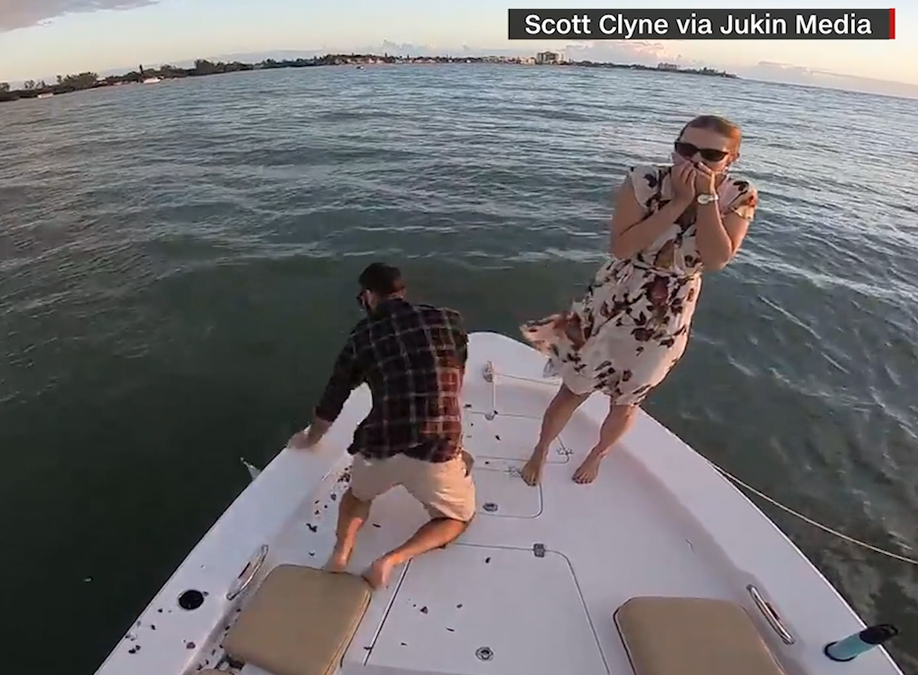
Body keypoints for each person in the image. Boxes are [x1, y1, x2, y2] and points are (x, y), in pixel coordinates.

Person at [519, 114, 759, 486]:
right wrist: (678, 202)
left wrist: (706, 198)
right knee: (574, 387)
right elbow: (622, 247)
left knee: (628, 399)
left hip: (670, 309)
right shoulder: (644, 180)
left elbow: (716, 259)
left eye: (711, 154)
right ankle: (541, 449)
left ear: (732, 159)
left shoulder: (740, 194)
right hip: (616, 293)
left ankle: (598, 454)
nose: (695, 160)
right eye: (686, 149)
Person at [288, 262, 475, 589]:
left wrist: (310, 438)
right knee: (456, 518)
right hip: (437, 447)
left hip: (381, 445)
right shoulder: (448, 319)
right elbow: (454, 374)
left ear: (368, 296)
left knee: (357, 497)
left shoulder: (361, 337)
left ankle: (340, 554)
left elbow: (333, 397)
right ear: (402, 291)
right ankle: (389, 561)